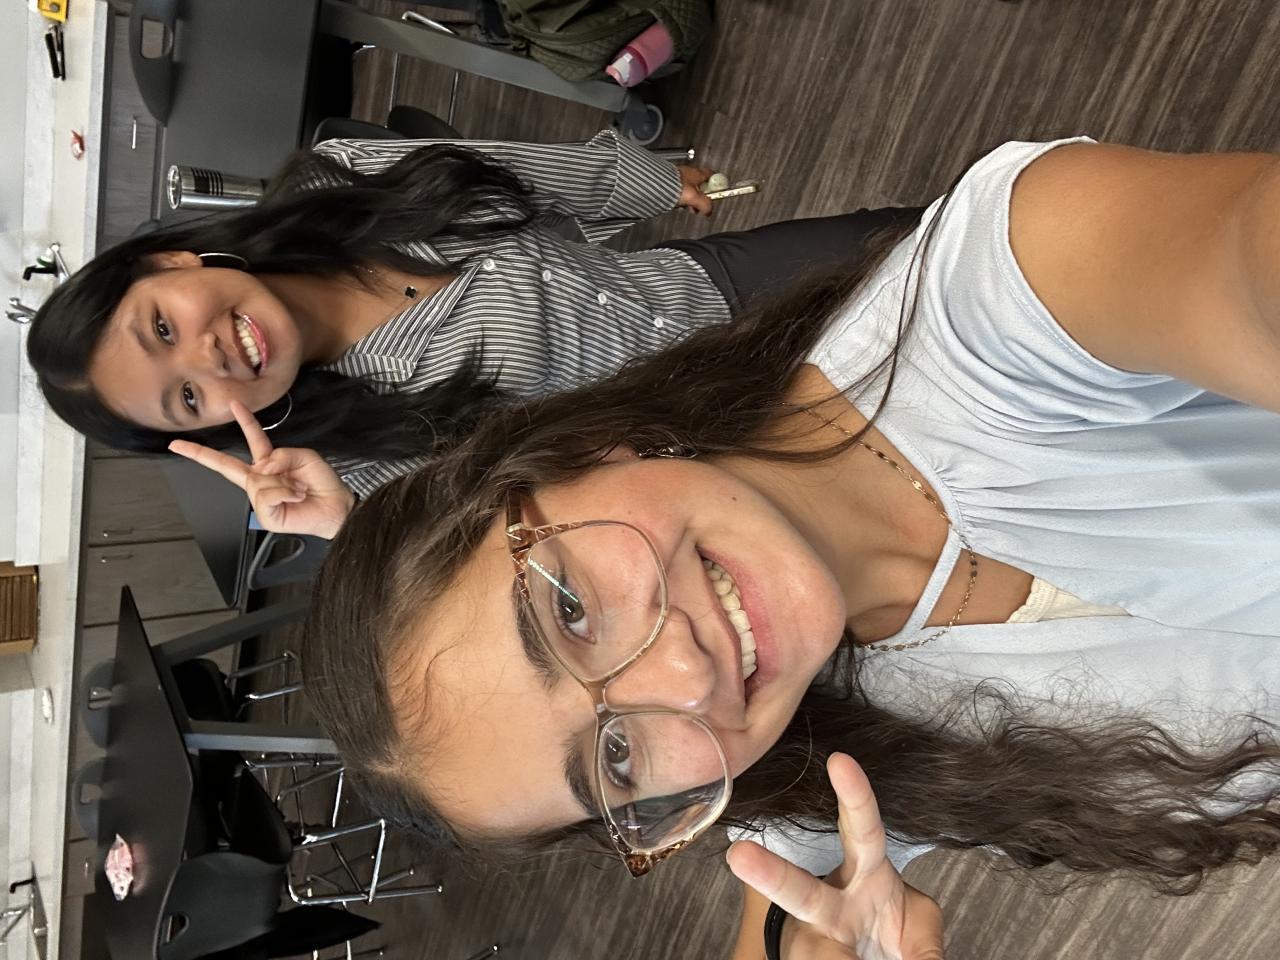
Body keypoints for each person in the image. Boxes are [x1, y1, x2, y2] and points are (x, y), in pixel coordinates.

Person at [292, 135, 1280, 959]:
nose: (680, 678)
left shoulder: (993, 293)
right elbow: (787, 874)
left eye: (570, 610)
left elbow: (1240, 261)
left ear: (571, 454)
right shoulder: (835, 739)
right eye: (616, 758)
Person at [27, 130, 913, 539]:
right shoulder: (350, 464)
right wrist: (349, 529)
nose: (208, 358)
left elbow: (509, 174)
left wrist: (642, 181)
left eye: (162, 326)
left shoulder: (338, 179)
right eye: (186, 396)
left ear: (170, 261)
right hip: (741, 434)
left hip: (705, 283)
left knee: (936, 241)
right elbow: (481, 550)